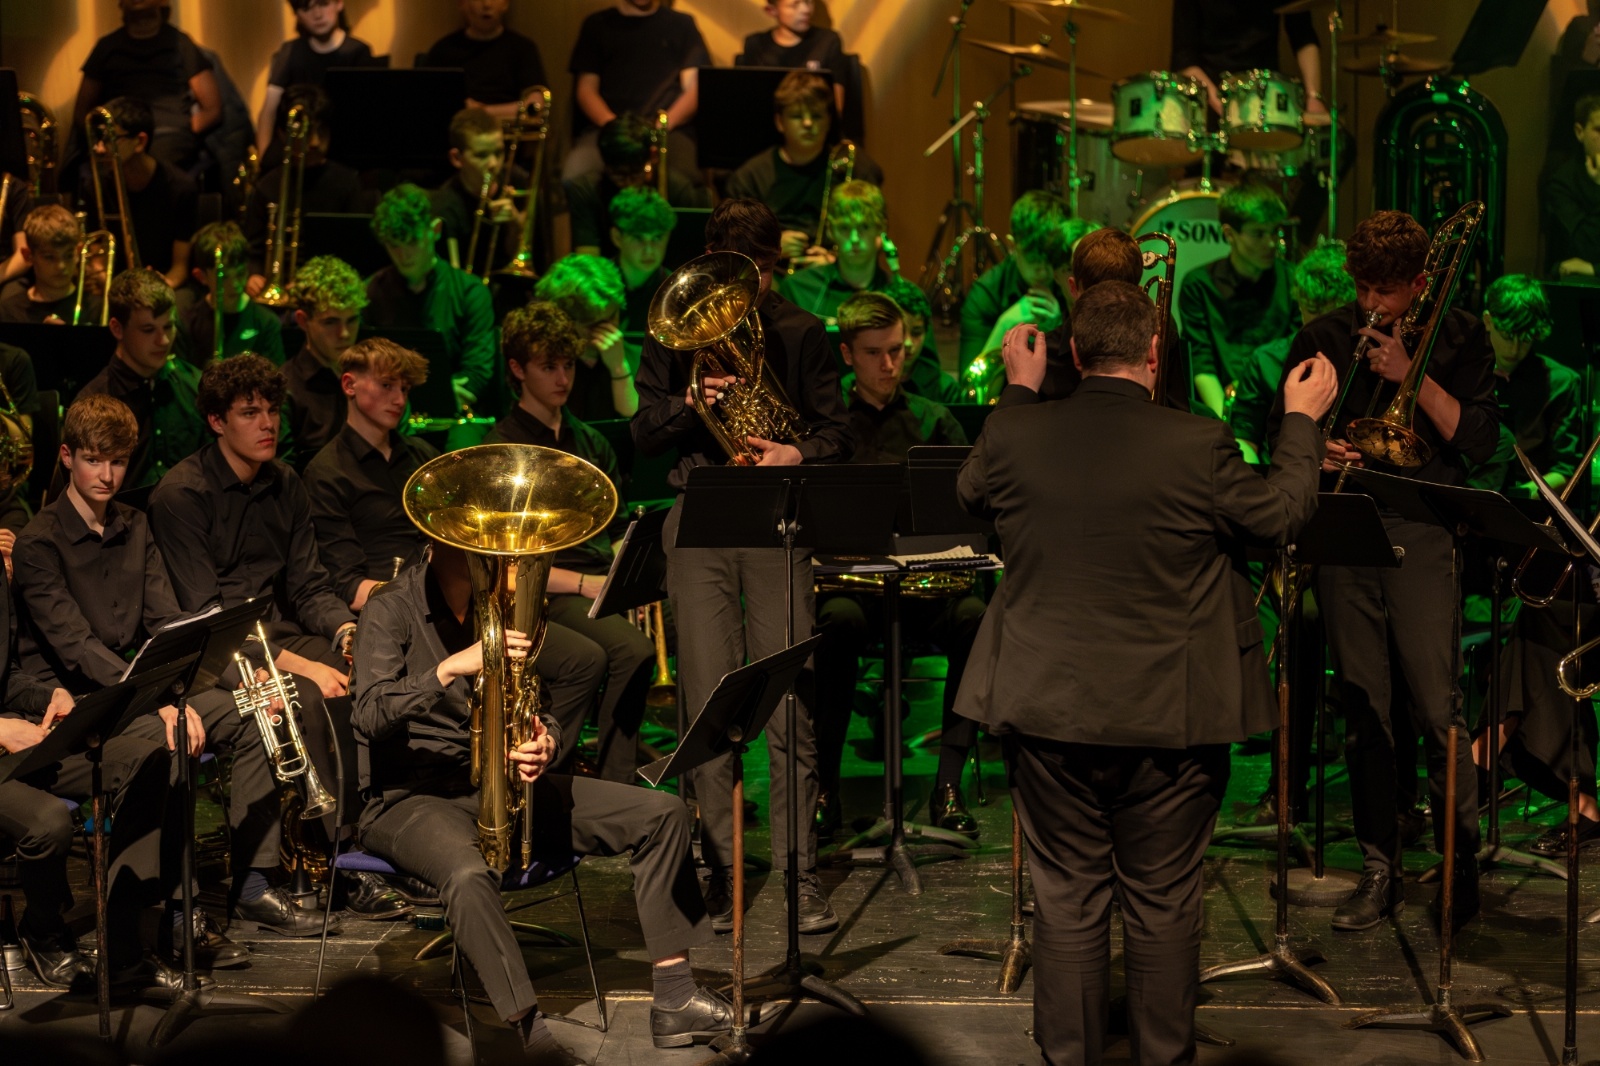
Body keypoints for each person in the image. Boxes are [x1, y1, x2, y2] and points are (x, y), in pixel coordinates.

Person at [956, 280, 1336, 1066]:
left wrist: (1019, 390)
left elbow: (969, 491)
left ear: (1073, 352)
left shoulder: (1013, 432)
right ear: (1155, 353)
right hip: (1172, 717)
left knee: (1066, 901)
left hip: (1046, 708)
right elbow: (1279, 517)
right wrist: (1301, 421)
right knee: (1163, 903)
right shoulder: (1197, 443)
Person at [351, 534, 734, 1061]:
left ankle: (675, 997)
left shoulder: (501, 605)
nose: (497, 550)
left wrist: (545, 740)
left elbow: (541, 702)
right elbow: (368, 714)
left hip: (495, 778)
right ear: (439, 540)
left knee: (662, 813)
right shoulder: (390, 607)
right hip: (409, 797)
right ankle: (528, 1036)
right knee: (467, 875)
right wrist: (449, 668)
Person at [11, 394, 369, 946]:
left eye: (118, 462)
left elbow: (168, 621)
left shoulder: (135, 523)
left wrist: (240, 675)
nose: (107, 475)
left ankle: (253, 885)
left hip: (142, 685)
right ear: (66, 457)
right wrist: (159, 701)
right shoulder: (39, 543)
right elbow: (78, 647)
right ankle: (178, 913)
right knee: (171, 741)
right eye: (93, 460)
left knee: (255, 712)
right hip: (86, 703)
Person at [1268, 210, 1499, 934]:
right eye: (1363, 288)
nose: (1372, 304)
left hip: (1423, 527)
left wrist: (1412, 376)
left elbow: (1481, 440)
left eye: (1387, 291)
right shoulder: (1323, 337)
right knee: (1365, 708)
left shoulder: (1460, 335)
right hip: (1346, 525)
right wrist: (1316, 447)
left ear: (1421, 283)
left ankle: (1458, 865)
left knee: (1436, 707)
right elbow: (1276, 431)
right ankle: (1379, 868)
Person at [633, 198, 853, 934]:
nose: (751, 287)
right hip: (700, 515)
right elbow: (642, 431)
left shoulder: (801, 331)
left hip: (777, 516)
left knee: (789, 702)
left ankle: (798, 874)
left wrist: (796, 452)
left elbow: (838, 434)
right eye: (739, 271)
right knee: (708, 704)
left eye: (761, 271)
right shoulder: (674, 328)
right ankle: (723, 871)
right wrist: (689, 401)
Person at [812, 291, 982, 839]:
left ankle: (948, 784)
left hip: (924, 594)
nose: (889, 364)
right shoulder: (827, 429)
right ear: (846, 354)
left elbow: (970, 513)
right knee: (835, 623)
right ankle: (825, 788)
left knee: (976, 619)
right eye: (874, 353)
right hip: (854, 593)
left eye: (898, 350)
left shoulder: (936, 421)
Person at [482, 303, 653, 781]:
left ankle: (670, 771)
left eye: (569, 365)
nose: (563, 379)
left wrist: (627, 583)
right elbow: (507, 564)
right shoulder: (503, 448)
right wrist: (587, 584)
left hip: (598, 584)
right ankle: (609, 781)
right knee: (631, 651)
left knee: (689, 627)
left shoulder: (590, 442)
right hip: (546, 593)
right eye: (548, 367)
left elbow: (617, 532)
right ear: (518, 369)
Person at [0, 562, 185, 991]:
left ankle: (123, 945)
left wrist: (51, 694)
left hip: (15, 743)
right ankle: (42, 931)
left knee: (145, 759)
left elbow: (6, 676)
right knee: (49, 823)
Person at [303, 338, 436, 614]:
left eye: (404, 389)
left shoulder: (423, 455)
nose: (399, 400)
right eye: (387, 385)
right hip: (386, 615)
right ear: (349, 385)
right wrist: (422, 598)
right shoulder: (326, 473)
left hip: (443, 598)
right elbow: (347, 586)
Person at [364, 184, 495, 419]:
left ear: (435, 230)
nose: (404, 254)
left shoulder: (470, 292)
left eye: (412, 241)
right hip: (386, 416)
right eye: (394, 244)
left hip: (453, 417)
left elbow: (477, 373)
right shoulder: (370, 291)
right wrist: (435, 392)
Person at [726, 71, 883, 266]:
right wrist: (770, 247)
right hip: (773, 274)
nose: (808, 123)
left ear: (829, 120)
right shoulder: (750, 178)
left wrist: (837, 261)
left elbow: (877, 236)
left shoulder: (856, 168)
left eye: (816, 116)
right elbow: (732, 246)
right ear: (780, 122)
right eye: (797, 116)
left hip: (837, 273)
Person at [77, 269, 206, 489]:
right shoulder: (92, 403)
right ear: (117, 329)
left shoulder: (196, 386)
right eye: (148, 330)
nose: (163, 340)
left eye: (169, 327)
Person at [1231, 241, 1358, 462]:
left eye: (1334, 313)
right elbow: (1244, 438)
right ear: (1299, 305)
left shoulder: (1367, 357)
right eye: (1314, 311)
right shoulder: (1266, 361)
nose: (1325, 325)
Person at [1180, 183, 1297, 418]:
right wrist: (1227, 424)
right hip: (1219, 410)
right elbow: (1201, 363)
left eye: (1274, 231)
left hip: (1277, 407)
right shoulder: (1198, 284)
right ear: (1229, 234)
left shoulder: (1292, 280)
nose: (1271, 243)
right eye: (1259, 234)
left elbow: (1296, 354)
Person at [564, 0, 710, 184]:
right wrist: (617, 129)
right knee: (576, 177)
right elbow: (586, 90)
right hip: (609, 129)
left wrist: (661, 127)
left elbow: (695, 88)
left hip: (668, 131)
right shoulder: (597, 25)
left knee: (684, 181)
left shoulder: (682, 24)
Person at [1468, 275, 1583, 499]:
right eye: (1508, 335)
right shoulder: (1466, 372)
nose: (1514, 349)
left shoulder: (1561, 382)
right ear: (1488, 321)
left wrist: (1522, 495)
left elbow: (1566, 471)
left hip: (1528, 503)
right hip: (1468, 495)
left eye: (1526, 338)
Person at [244, 84, 366, 295]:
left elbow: (356, 252)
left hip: (329, 293)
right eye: (306, 133)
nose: (315, 142)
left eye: (322, 131)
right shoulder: (267, 187)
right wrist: (253, 275)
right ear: (283, 134)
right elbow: (252, 251)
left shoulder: (347, 184)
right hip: (278, 294)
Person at [73, 0, 221, 172]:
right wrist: (103, 137)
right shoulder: (107, 47)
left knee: (155, 168)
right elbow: (82, 112)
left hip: (169, 133)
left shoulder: (180, 43)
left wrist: (185, 128)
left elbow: (212, 108)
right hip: (121, 133)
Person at [77, 95, 198, 290]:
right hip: (116, 286)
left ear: (140, 141)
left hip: (163, 286)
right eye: (97, 138)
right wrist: (100, 273)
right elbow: (98, 256)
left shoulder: (180, 188)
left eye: (109, 139)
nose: (98, 148)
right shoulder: (95, 187)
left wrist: (161, 286)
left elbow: (180, 268)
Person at [563, 114, 711, 261]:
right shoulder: (586, 190)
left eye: (635, 173)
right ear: (605, 164)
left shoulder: (679, 189)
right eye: (619, 175)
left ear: (652, 156)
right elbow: (588, 260)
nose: (628, 184)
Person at [958, 190, 1071, 377]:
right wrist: (1005, 326)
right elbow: (969, 387)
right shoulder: (985, 294)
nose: (1043, 271)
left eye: (1050, 260)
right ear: (1012, 246)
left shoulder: (1070, 283)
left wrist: (1059, 331)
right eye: (1033, 260)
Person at [256, 0, 376, 158]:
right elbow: (268, 111)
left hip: (344, 152)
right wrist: (264, 159)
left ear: (339, 3)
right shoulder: (290, 52)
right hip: (299, 152)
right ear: (297, 14)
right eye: (306, 8)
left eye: (323, 4)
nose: (317, 15)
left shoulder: (359, 52)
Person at [1170, 0, 1326, 121]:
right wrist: (1226, 109)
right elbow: (1184, 59)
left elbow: (1303, 35)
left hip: (1267, 97)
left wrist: (1314, 96)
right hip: (1210, 97)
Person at [779, 179, 896, 326]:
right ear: (830, 230)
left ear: (881, 228)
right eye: (844, 228)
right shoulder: (797, 289)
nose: (854, 238)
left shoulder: (903, 297)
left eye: (864, 227)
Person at [284, 255, 367, 461]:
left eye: (352, 320)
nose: (345, 333)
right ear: (303, 321)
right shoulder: (285, 389)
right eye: (331, 322)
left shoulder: (373, 377)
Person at [534, 254, 636, 420]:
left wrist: (619, 368)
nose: (607, 330)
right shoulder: (543, 362)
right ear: (566, 321)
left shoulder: (639, 357)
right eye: (593, 325)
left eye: (612, 317)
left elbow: (639, 425)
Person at [179, 221, 287, 368]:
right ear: (201, 276)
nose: (235, 284)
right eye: (224, 277)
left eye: (241, 273)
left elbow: (275, 378)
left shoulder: (266, 323)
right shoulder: (188, 323)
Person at [429, 107, 522, 277]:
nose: (493, 164)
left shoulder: (517, 180)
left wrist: (515, 223)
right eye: (481, 155)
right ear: (457, 158)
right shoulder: (445, 205)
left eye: (499, 153)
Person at [420, 0, 548, 120]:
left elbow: (536, 106)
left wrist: (481, 112)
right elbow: (426, 100)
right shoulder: (444, 50)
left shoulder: (523, 48)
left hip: (507, 130)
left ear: (505, 4)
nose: (487, 4)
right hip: (457, 130)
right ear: (462, 3)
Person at [739, 0, 848, 115]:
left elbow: (836, 107)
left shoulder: (827, 41)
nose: (806, 10)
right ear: (772, 10)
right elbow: (748, 100)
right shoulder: (756, 45)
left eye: (808, 2)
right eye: (794, 5)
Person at [1543, 93, 1600, 279]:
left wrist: (1594, 269)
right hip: (1579, 287)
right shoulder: (1562, 183)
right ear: (1579, 132)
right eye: (1599, 130)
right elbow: (1588, 247)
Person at [880, 276, 962, 405]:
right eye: (900, 332)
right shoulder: (859, 384)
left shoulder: (945, 388)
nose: (908, 343)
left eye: (916, 332)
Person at [0, 204, 82, 325]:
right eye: (49, 257)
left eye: (68, 255)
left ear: (78, 252)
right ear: (28, 256)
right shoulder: (9, 311)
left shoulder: (98, 307)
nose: (61, 266)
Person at [609, 185, 672, 335]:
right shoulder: (594, 287)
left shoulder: (677, 292)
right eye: (638, 238)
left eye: (657, 238)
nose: (649, 250)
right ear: (617, 237)